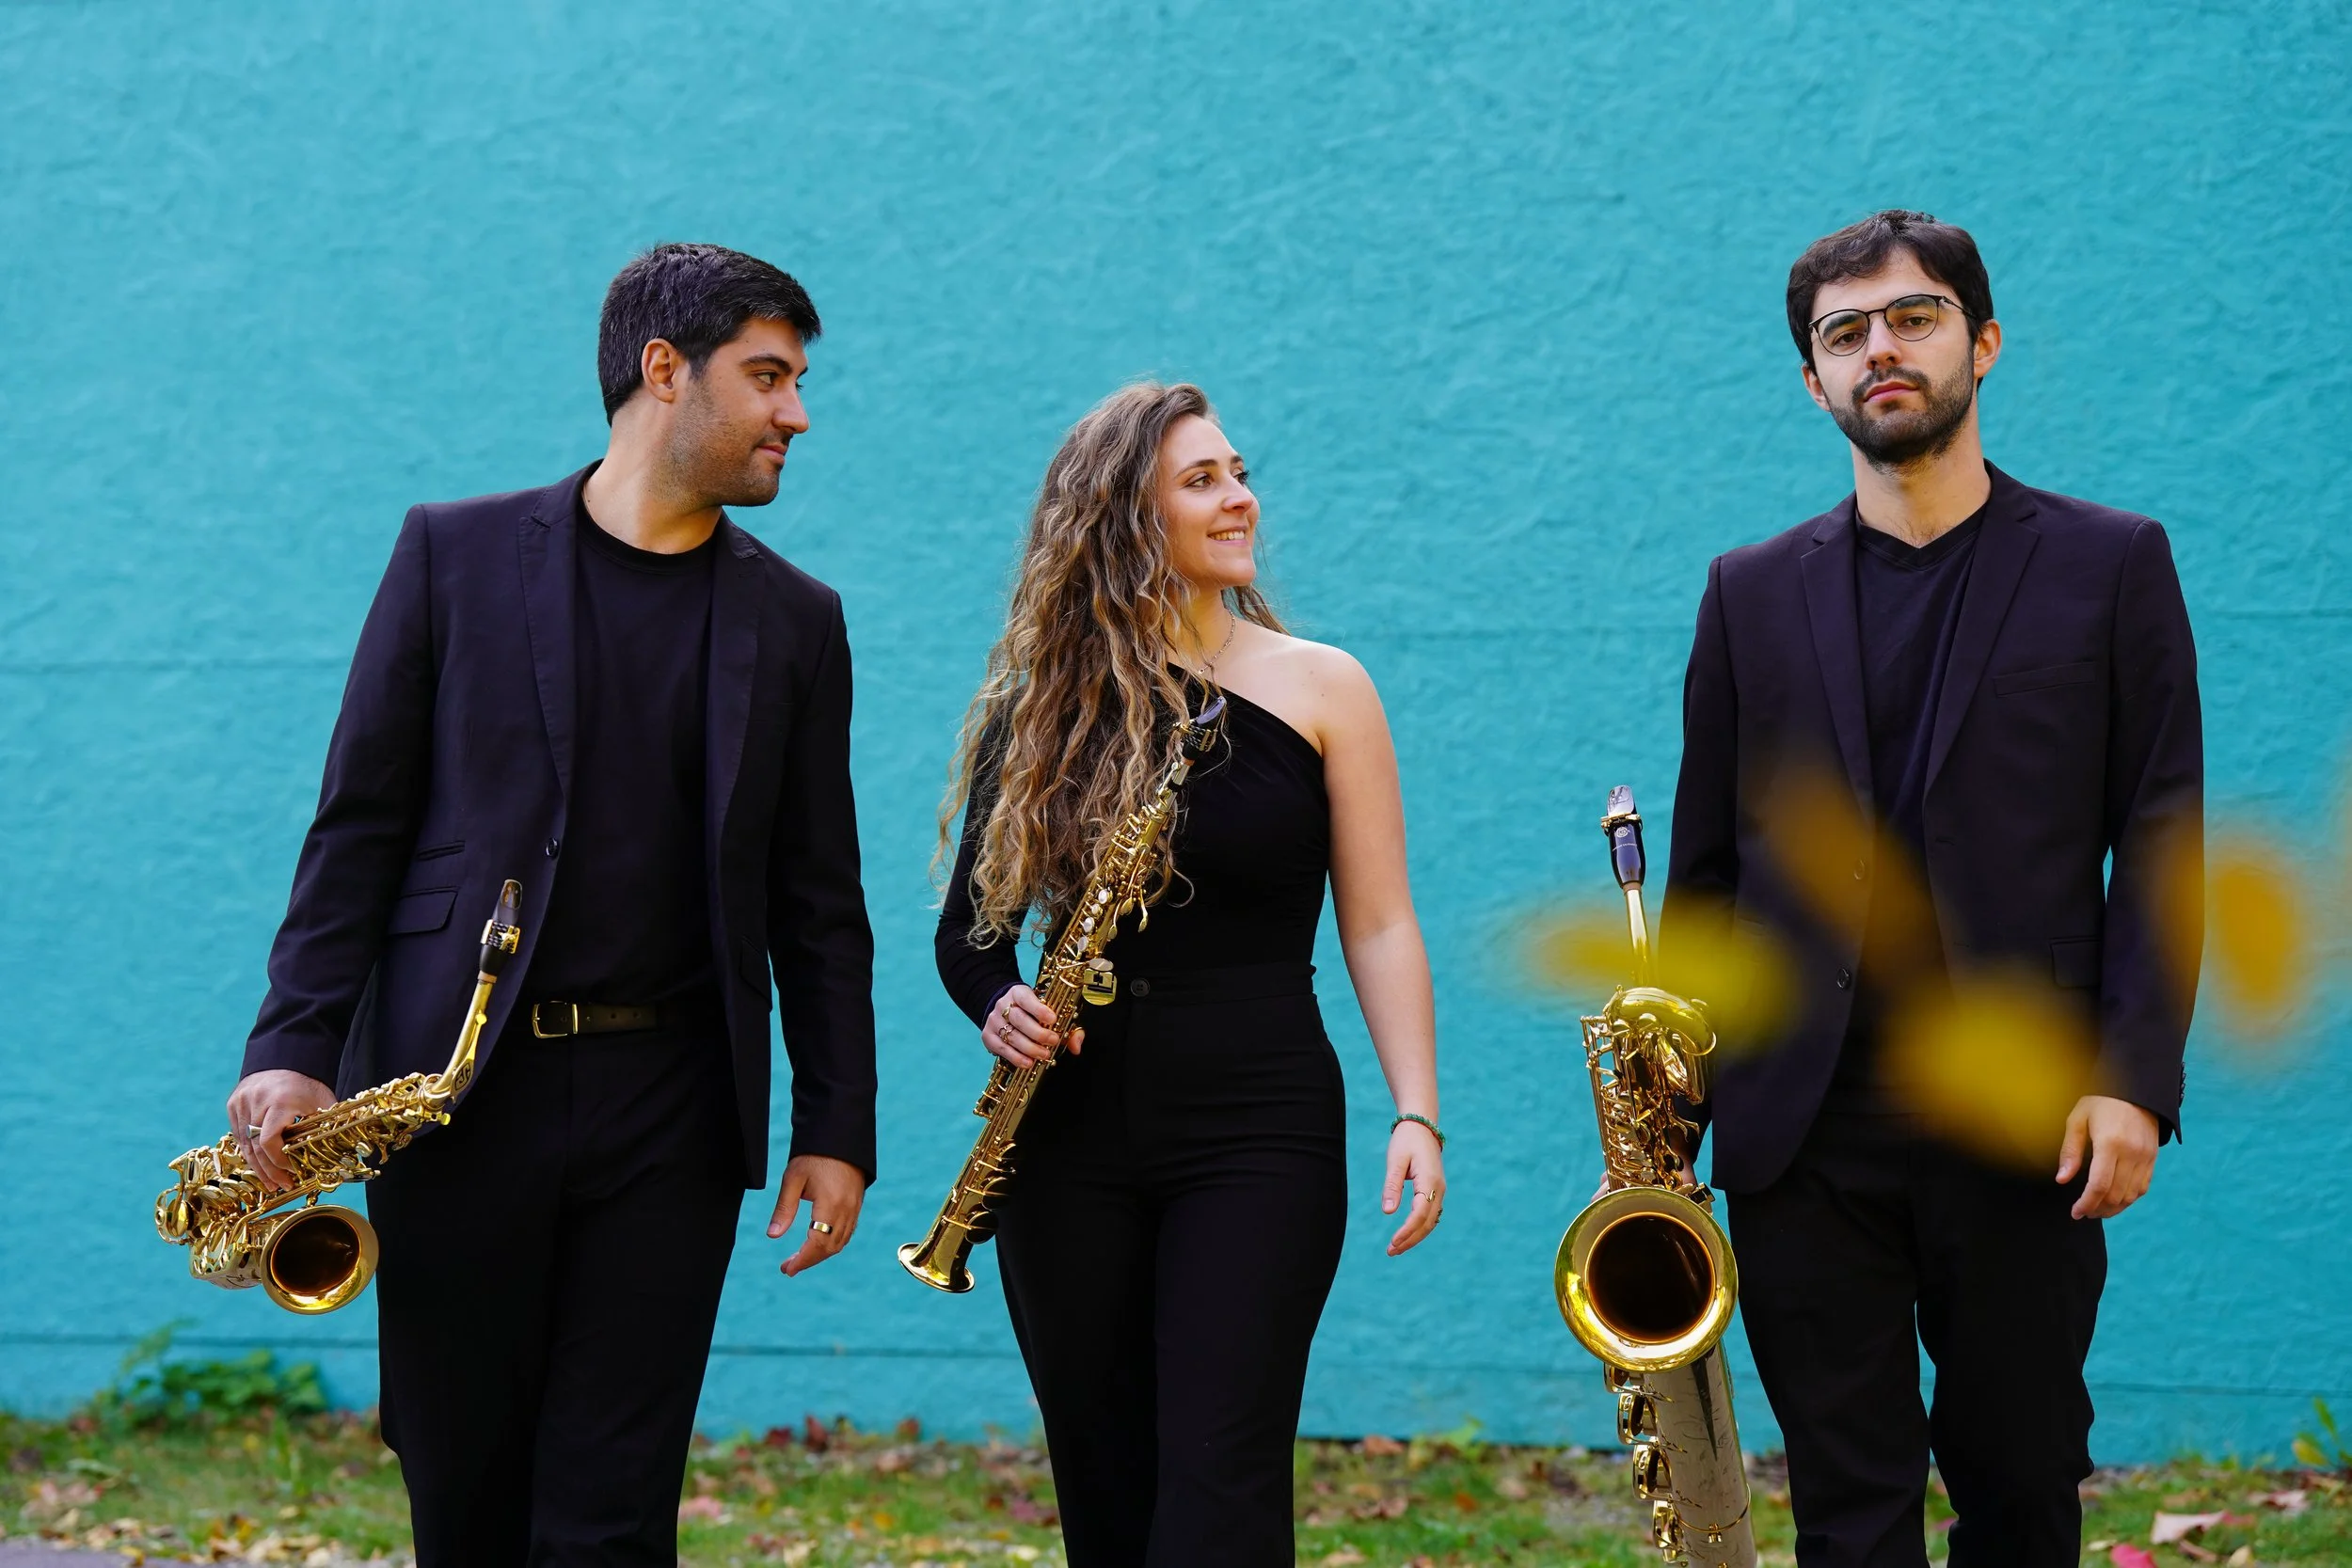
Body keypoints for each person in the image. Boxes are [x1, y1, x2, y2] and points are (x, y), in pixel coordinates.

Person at [227, 244, 878, 1566]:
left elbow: (820, 900)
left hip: (673, 1106)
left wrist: (837, 1122)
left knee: (611, 1506)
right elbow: (357, 827)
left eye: (798, 381)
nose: (794, 414)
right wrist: (293, 1044)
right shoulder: (451, 555)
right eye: (767, 377)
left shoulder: (800, 620)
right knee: (461, 1483)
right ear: (662, 372)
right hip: (457, 1098)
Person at [1662, 211, 2203, 1567]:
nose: (1879, 350)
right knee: (1850, 1507)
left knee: (2023, 1489)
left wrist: (2135, 1076)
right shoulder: (1746, 592)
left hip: (2027, 1112)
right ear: (1812, 380)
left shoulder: (2113, 561)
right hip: (1803, 1130)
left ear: (1984, 340)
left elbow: (2162, 834)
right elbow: (1708, 868)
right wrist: (1672, 1095)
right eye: (1843, 334)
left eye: (1911, 318)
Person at [932, 382, 1445, 1566]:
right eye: (1201, 480)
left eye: (1238, 470)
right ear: (1123, 517)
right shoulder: (1044, 707)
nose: (1239, 497)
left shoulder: (1325, 687)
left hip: (1259, 1116)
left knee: (1220, 1485)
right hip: (1066, 1130)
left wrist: (1415, 1105)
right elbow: (970, 931)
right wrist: (996, 1001)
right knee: (1105, 1483)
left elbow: (1378, 921)